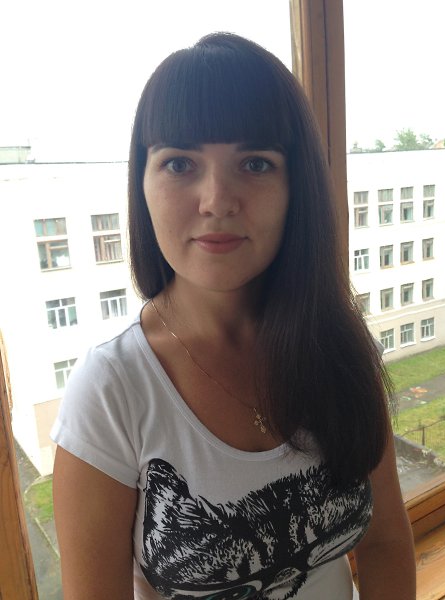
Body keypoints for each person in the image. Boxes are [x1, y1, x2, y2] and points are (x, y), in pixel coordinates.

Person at [51, 32, 415, 600]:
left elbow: (387, 540)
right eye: (179, 163)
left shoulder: (336, 343)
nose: (217, 199)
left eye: (255, 162)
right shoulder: (111, 391)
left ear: (296, 187)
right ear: (141, 185)